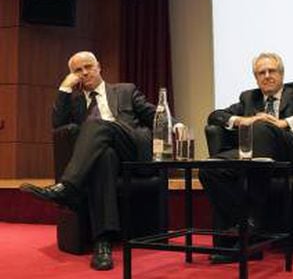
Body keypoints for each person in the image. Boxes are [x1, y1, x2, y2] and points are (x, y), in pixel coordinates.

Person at [20, 51, 183, 271]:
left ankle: (67, 187)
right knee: (103, 157)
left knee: (96, 124)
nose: (85, 72)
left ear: (99, 67)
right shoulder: (75, 101)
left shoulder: (125, 90)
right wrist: (64, 89)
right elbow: (58, 127)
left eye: (88, 66)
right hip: (107, 157)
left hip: (131, 149)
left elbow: (154, 114)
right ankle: (102, 243)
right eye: (78, 70)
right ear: (73, 76)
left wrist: (176, 124)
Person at [199, 52, 293, 263]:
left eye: (271, 71)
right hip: (254, 153)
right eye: (261, 72)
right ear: (256, 78)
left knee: (262, 127)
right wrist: (244, 120)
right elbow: (215, 115)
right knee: (209, 168)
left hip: (291, 152)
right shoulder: (248, 98)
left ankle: (253, 226)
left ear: (281, 74)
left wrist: (285, 123)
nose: (267, 75)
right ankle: (249, 228)